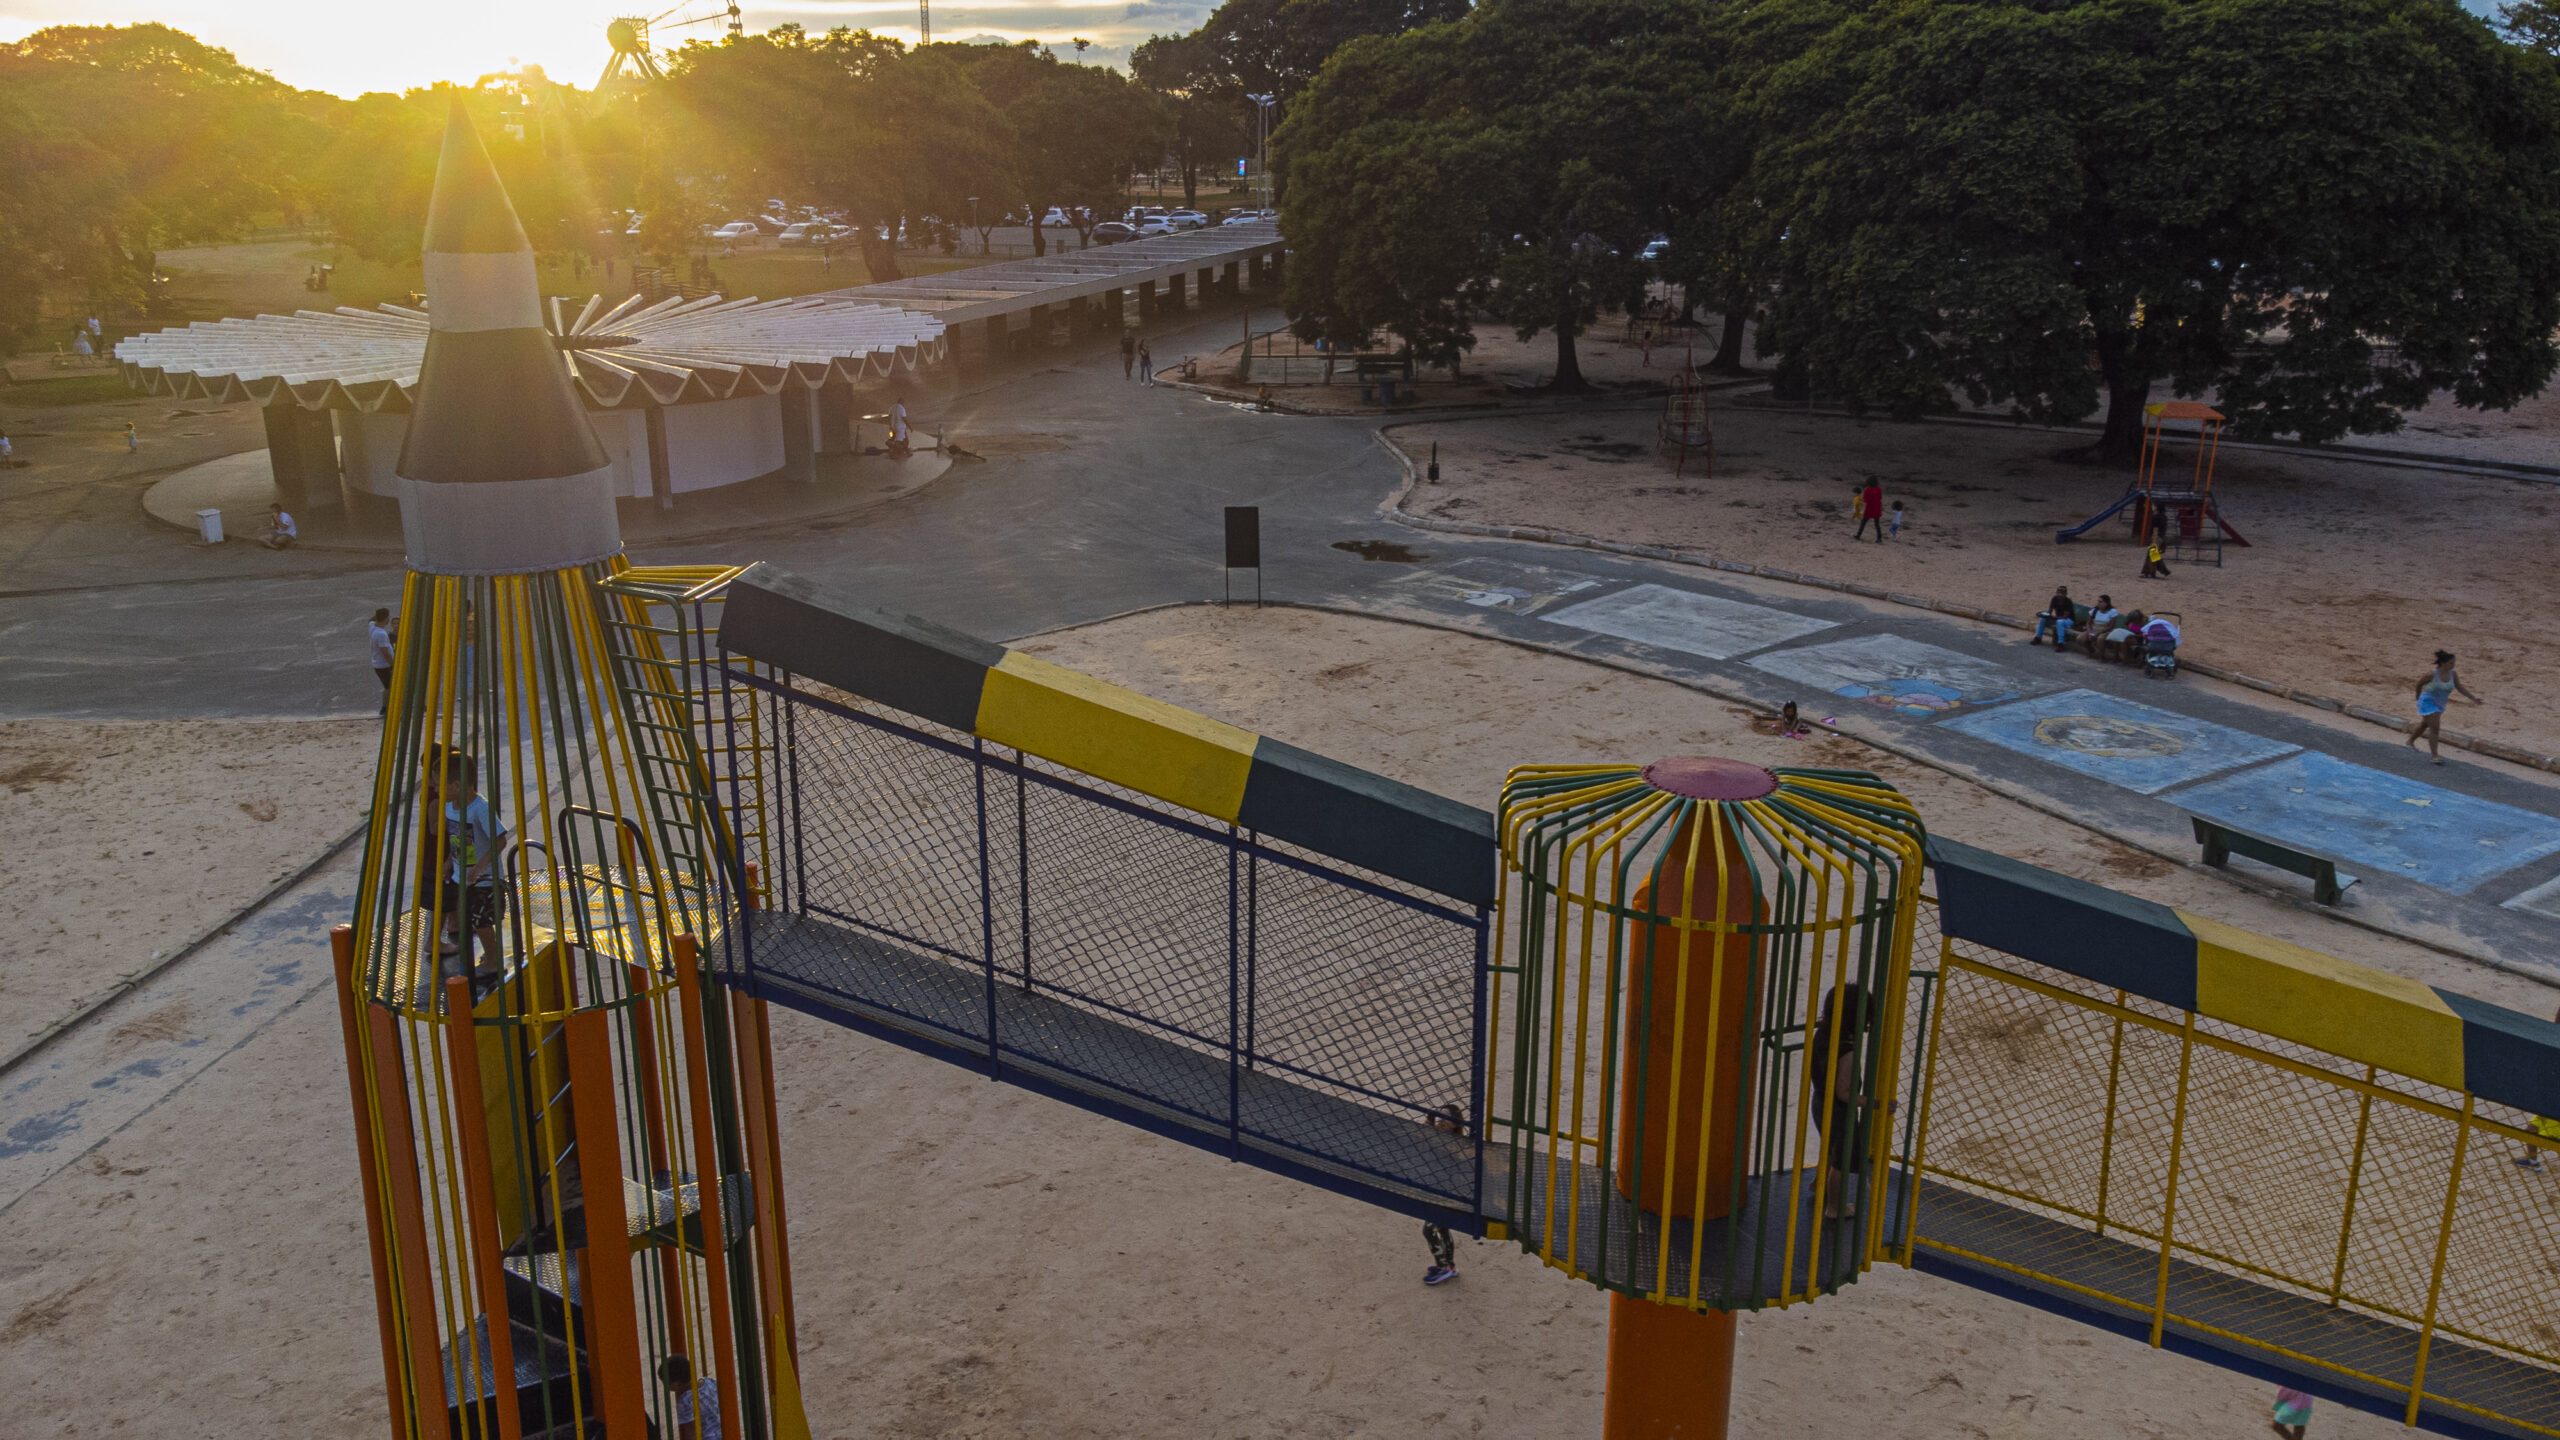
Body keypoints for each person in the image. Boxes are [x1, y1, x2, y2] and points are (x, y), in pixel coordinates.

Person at [1807, 982, 1888, 1219]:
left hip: (1819, 1102)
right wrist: (1875, 1104)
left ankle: (1817, 1184)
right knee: (1842, 1162)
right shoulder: (1848, 1054)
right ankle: (1835, 1208)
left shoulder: (1823, 1034)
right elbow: (1844, 1093)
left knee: (1831, 1148)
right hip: (1839, 1111)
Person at [439, 754, 508, 982]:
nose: (437, 789)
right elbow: (454, 837)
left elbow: (500, 840)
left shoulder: (480, 808)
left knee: (483, 921)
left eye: (441, 784)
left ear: (457, 785)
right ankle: (489, 955)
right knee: (473, 919)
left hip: (484, 878)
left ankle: (493, 961)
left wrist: (480, 866)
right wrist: (450, 861)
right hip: (463, 875)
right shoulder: (450, 807)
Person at [2407, 650, 2480, 764]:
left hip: (2440, 703)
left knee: (2425, 724)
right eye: (2451, 663)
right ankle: (2434, 756)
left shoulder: (2453, 674)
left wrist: (2473, 698)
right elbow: (2419, 684)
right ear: (2443, 663)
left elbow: (2459, 687)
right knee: (2435, 728)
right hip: (2427, 701)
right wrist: (2417, 696)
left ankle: (2410, 741)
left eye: (2454, 663)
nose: (2453, 665)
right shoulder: (2431, 674)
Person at [1421, 1104, 1466, 1285]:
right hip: (1440, 1189)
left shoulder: (1455, 1143)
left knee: (1429, 1229)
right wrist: (1430, 1122)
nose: (1442, 1120)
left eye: (1446, 1117)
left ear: (1456, 1123)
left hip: (1447, 1193)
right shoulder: (1437, 1134)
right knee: (1443, 1228)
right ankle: (1450, 1266)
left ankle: (1443, 1267)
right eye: (1440, 1115)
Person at [659, 1354, 722, 1439]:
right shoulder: (709, 1382)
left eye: (666, 1383)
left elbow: (690, 1433)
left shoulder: (685, 1402)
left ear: (677, 1384)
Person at [367, 608, 396, 714]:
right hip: (383, 665)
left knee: (387, 686)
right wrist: (393, 665)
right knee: (390, 687)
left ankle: (385, 707)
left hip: (377, 664)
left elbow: (370, 620)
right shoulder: (381, 634)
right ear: (386, 618)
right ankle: (388, 708)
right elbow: (385, 652)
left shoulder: (372, 626)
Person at [2031, 585, 2074, 650]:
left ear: (2065, 594)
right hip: (2058, 618)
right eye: (2058, 593)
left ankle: (2061, 643)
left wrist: (2054, 617)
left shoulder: (2068, 602)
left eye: (2062, 593)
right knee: (2043, 619)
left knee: (2060, 622)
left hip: (2068, 621)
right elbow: (2050, 611)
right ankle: (2038, 637)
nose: (2060, 595)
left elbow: (2065, 616)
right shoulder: (2054, 599)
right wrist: (2045, 615)